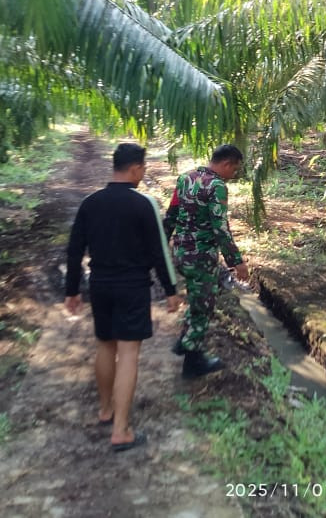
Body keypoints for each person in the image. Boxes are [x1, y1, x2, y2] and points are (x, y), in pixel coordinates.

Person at [64, 142, 181, 451]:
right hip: (132, 287)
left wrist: (72, 290)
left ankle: (106, 410)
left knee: (105, 345)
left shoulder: (90, 203)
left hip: (99, 284)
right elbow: (159, 252)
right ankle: (121, 431)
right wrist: (171, 290)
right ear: (134, 169)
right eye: (143, 168)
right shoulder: (144, 204)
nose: (143, 174)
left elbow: (75, 250)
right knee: (128, 353)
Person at [164, 143, 250, 378]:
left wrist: (162, 245)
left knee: (196, 297)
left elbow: (171, 214)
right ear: (226, 164)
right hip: (201, 256)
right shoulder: (217, 186)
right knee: (204, 306)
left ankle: (184, 341)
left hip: (181, 253)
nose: (234, 175)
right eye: (234, 170)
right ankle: (193, 364)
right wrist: (237, 262)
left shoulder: (185, 178)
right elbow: (220, 227)